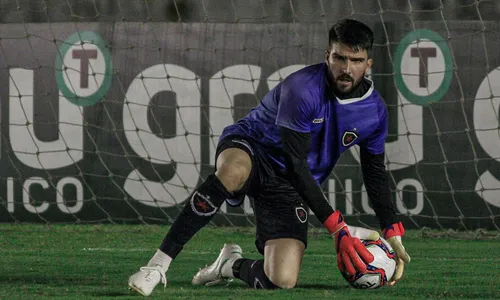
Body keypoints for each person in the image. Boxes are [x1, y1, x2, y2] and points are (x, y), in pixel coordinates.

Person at [128, 18, 410, 296]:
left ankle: (230, 265)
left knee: (282, 279)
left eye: (356, 60)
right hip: (253, 147)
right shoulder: (303, 89)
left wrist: (391, 228)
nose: (346, 69)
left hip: (288, 184)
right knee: (232, 172)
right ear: (328, 56)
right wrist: (337, 228)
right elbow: (295, 162)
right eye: (339, 58)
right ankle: (157, 266)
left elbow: (374, 171)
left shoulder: (374, 112)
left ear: (368, 63)